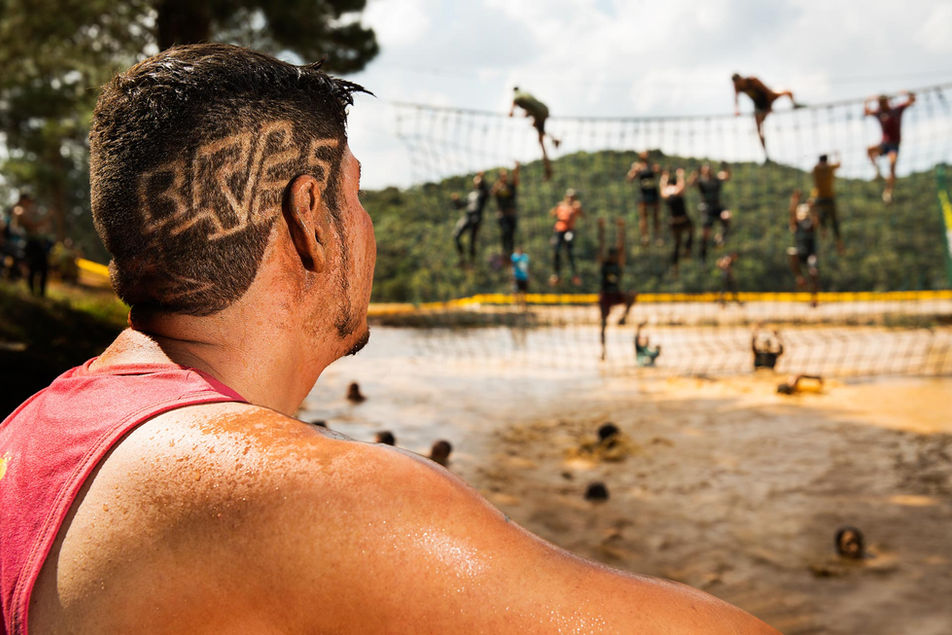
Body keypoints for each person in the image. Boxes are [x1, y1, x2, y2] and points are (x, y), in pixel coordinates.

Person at [0, 45, 776, 634]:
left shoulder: (28, 428)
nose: (365, 227)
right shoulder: (306, 496)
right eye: (356, 195)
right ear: (310, 218)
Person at [731, 73, 800, 160]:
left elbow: (766, 91)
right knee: (758, 130)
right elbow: (736, 98)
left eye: (738, 82)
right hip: (758, 107)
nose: (737, 85)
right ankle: (766, 154)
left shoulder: (753, 80)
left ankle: (795, 104)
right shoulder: (737, 87)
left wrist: (769, 107)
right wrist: (737, 110)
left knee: (788, 92)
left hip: (769, 97)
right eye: (735, 84)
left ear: (741, 79)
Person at [864, 91, 916, 204]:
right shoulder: (879, 113)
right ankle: (877, 171)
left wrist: (905, 92)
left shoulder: (897, 110)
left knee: (892, 165)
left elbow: (912, 99)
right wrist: (869, 99)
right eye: (879, 103)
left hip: (894, 145)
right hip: (884, 144)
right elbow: (866, 111)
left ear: (887, 102)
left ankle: (888, 192)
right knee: (869, 150)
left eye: (882, 102)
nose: (880, 105)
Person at [597, 217, 636, 361]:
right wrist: (601, 229)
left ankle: (624, 317)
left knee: (632, 295)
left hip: (616, 294)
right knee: (603, 324)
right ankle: (603, 350)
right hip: (605, 295)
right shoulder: (604, 263)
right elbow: (601, 245)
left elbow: (622, 245)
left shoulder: (619, 264)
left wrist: (621, 228)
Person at [510, 87, 560, 180]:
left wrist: (512, 113)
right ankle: (554, 139)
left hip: (538, 113)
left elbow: (511, 113)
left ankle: (548, 169)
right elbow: (530, 108)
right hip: (544, 109)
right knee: (536, 128)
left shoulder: (516, 98)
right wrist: (526, 114)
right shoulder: (526, 94)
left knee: (540, 140)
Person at [689, 162, 732, 261]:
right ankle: (702, 254)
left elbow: (727, 176)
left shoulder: (716, 180)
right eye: (706, 169)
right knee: (705, 234)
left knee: (727, 216)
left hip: (717, 206)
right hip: (707, 208)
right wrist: (695, 174)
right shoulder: (701, 181)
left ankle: (721, 237)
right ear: (703, 171)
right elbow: (691, 184)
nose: (708, 171)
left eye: (709, 169)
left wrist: (726, 167)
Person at [787, 189, 820, 307]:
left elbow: (816, 219)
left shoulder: (811, 224)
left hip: (810, 253)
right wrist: (795, 201)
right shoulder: (796, 224)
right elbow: (792, 212)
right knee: (791, 252)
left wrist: (813, 208)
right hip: (800, 253)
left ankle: (814, 298)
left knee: (813, 272)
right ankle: (799, 277)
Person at [660, 167, 693, 275]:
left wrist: (664, 177)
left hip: (673, 222)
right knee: (691, 231)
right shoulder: (676, 190)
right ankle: (687, 250)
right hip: (683, 219)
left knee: (677, 244)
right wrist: (680, 175)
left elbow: (662, 187)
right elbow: (681, 187)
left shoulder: (666, 192)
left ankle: (675, 265)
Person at [549, 188, 584, 286]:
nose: (570, 198)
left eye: (572, 197)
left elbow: (582, 215)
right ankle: (556, 274)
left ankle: (574, 274)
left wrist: (578, 209)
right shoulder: (561, 205)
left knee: (569, 252)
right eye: (569, 197)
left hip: (569, 230)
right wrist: (556, 209)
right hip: (559, 230)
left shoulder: (575, 206)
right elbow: (552, 214)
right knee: (556, 251)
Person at [625, 152, 662, 246]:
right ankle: (645, 236)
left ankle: (657, 237)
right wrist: (634, 170)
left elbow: (662, 172)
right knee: (643, 216)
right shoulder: (638, 167)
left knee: (656, 216)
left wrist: (658, 170)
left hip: (653, 192)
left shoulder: (653, 166)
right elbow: (629, 178)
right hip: (643, 194)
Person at [452, 172, 489, 265]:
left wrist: (481, 177)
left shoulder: (483, 193)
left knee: (472, 240)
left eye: (478, 180)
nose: (477, 181)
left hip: (476, 218)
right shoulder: (471, 194)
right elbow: (461, 205)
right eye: (475, 180)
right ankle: (462, 258)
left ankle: (472, 262)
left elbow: (486, 190)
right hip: (468, 216)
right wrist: (456, 201)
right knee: (456, 235)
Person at [811, 153, 844, 253]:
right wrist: (836, 155)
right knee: (834, 221)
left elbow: (814, 169)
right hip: (829, 198)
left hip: (819, 198)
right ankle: (839, 242)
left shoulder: (816, 169)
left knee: (820, 213)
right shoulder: (830, 167)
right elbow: (839, 164)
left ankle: (823, 229)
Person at [492, 162, 520, 258]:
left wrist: (516, 170)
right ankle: (504, 252)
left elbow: (516, 181)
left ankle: (510, 253)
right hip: (502, 215)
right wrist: (499, 185)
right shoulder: (498, 187)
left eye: (505, 176)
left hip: (511, 214)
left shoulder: (510, 186)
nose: (504, 177)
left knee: (511, 235)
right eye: (502, 176)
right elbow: (493, 192)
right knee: (505, 232)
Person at [511, 245, 530, 310]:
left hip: (524, 277)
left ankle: (523, 305)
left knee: (523, 292)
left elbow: (527, 268)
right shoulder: (514, 257)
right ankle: (515, 304)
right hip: (517, 277)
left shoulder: (525, 257)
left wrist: (528, 276)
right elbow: (512, 266)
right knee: (515, 291)